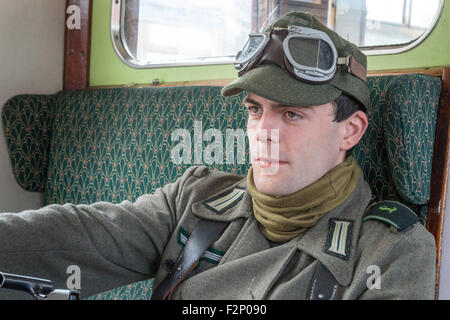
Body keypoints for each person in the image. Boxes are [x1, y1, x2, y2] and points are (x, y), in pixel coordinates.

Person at [0, 12, 436, 300]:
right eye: (255, 110)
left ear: (351, 130)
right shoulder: (196, 198)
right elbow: (79, 235)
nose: (265, 132)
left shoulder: (390, 249)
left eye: (292, 114)